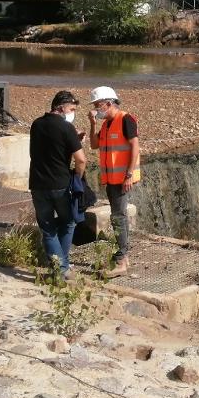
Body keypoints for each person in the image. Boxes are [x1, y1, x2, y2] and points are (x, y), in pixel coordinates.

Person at [30, 91, 87, 278]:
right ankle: (62, 269)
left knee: (47, 229)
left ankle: (60, 268)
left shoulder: (36, 125)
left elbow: (44, 150)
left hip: (38, 184)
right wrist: (78, 178)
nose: (73, 113)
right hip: (61, 185)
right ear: (61, 107)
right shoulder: (66, 128)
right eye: (72, 109)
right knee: (68, 222)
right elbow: (81, 160)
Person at [88, 86, 139, 277]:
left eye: (97, 105)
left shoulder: (126, 119)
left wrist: (129, 175)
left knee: (118, 217)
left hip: (121, 179)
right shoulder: (107, 124)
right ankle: (123, 256)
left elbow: (135, 146)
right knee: (119, 215)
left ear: (108, 103)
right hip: (111, 179)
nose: (95, 109)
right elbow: (94, 145)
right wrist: (93, 123)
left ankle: (121, 260)